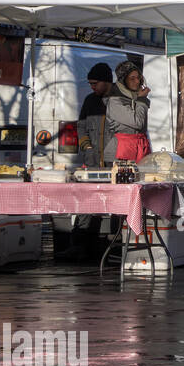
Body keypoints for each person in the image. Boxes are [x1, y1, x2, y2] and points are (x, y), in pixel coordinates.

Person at [59, 62, 114, 261]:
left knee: (114, 202)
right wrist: (86, 147)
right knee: (86, 200)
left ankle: (111, 244)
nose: (92, 87)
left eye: (94, 83)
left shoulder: (117, 100)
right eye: (90, 83)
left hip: (113, 162)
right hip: (92, 160)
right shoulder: (90, 100)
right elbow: (81, 126)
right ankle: (80, 245)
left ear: (106, 81)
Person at [104, 60, 151, 163]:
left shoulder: (135, 99)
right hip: (121, 154)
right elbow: (137, 123)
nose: (137, 81)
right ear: (123, 81)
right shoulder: (115, 101)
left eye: (139, 78)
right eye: (132, 78)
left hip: (140, 149)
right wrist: (142, 100)